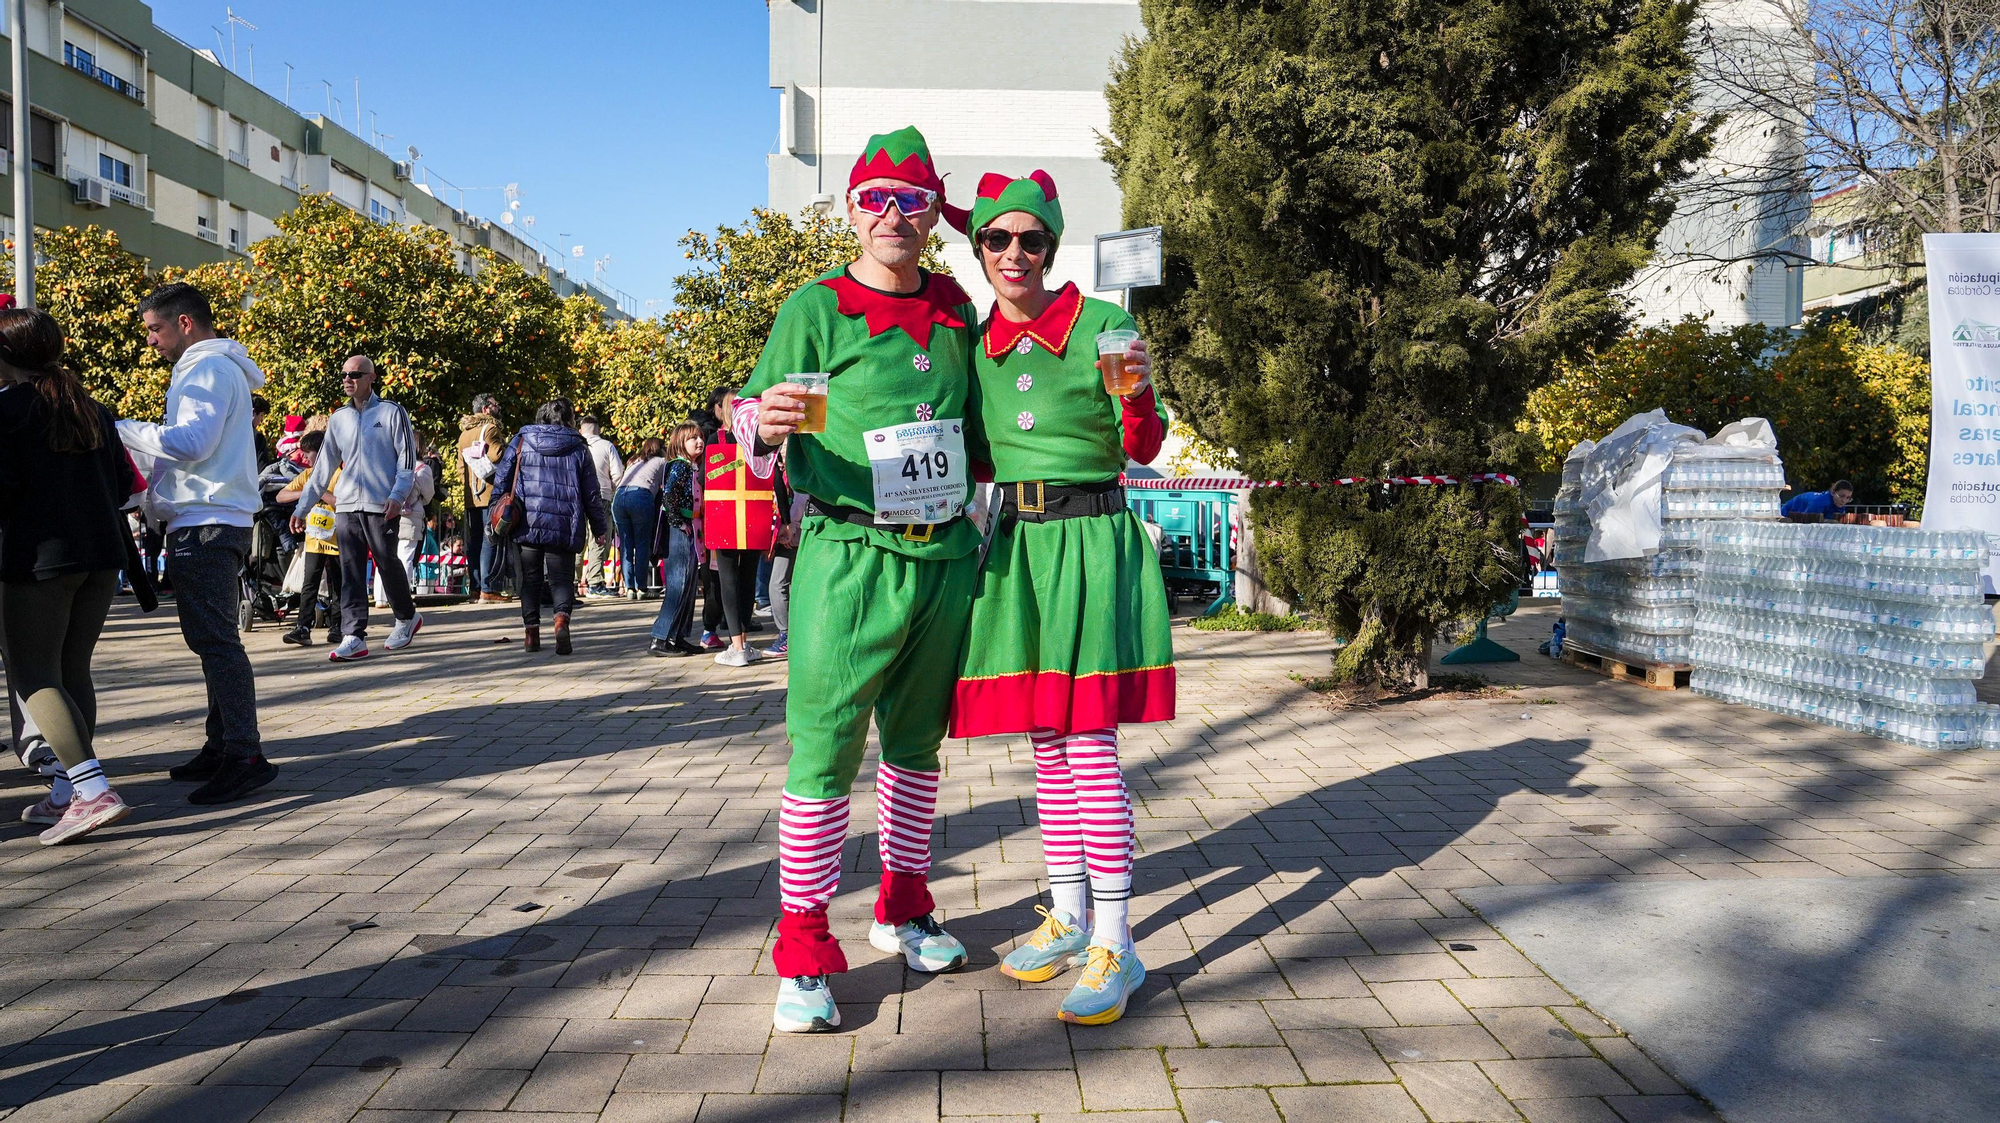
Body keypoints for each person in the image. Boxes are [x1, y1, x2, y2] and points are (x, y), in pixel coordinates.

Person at [740, 126, 988, 1032]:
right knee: (825, 751)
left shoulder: (958, 307)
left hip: (944, 557)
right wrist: (760, 428)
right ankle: (803, 947)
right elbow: (754, 422)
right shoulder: (815, 306)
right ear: (850, 207)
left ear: (931, 211)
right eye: (876, 196)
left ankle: (902, 904)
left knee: (918, 747)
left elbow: (985, 426)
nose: (893, 213)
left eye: (912, 197)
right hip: (848, 554)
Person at [948, 171, 1171, 1025]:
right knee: (1046, 738)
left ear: (1050, 245)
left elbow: (1142, 441)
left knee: (1088, 741)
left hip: (1088, 541)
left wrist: (1141, 392)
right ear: (980, 251)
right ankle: (1072, 916)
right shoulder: (975, 343)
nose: (1014, 254)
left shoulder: (1104, 325)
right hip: (1017, 546)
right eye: (997, 240)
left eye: (1030, 239)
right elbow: (969, 453)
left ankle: (1119, 941)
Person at [118, 282, 277, 804]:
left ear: (184, 322)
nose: (150, 342)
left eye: (154, 329)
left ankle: (244, 754)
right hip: (210, 516)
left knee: (215, 641)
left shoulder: (207, 369)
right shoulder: (214, 367)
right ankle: (222, 744)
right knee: (211, 639)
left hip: (207, 520)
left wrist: (123, 428)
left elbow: (193, 441)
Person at [0, 308, 143, 842]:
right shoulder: (92, 409)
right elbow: (123, 486)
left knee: (34, 673)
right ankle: (66, 790)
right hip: (101, 557)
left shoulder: (9, 410)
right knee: (71, 669)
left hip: (39, 561)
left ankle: (90, 790)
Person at [287, 355, 423, 663]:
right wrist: (302, 507)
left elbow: (406, 460)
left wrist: (398, 495)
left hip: (381, 504)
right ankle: (354, 634)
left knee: (387, 562)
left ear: (372, 377)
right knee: (350, 570)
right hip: (346, 504)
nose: (348, 379)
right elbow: (322, 468)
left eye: (356, 374)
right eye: (345, 374)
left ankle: (406, 617)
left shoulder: (392, 412)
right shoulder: (339, 418)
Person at [490, 398, 608, 656]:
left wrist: (493, 515)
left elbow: (502, 481)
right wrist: (600, 527)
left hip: (527, 522)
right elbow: (591, 493)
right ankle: (560, 623)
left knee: (529, 579)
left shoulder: (521, 440)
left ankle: (531, 634)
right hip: (564, 521)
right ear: (569, 420)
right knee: (562, 578)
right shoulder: (579, 447)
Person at [704, 389, 774, 667]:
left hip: (724, 516)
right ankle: (743, 642)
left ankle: (737, 647)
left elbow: (704, 478)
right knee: (747, 580)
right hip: (754, 514)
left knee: (728, 581)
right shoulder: (761, 443)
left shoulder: (715, 439)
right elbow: (772, 478)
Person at [276, 432, 341, 647]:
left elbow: (340, 503)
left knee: (339, 584)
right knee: (309, 583)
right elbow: (281, 496)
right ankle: (303, 627)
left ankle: (338, 627)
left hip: (337, 540)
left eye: (308, 454)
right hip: (314, 539)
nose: (305, 459)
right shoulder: (308, 475)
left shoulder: (340, 473)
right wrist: (306, 492)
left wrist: (320, 492)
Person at [647, 423, 706, 656]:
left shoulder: (690, 467)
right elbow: (669, 497)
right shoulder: (679, 467)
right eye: (693, 439)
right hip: (680, 530)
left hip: (690, 528)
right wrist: (679, 522)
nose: (699, 442)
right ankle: (660, 637)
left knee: (689, 584)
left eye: (700, 437)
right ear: (680, 443)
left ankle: (678, 636)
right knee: (679, 584)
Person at [458, 394, 509, 603]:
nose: (499, 408)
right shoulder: (491, 429)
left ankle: (476, 588)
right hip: (490, 493)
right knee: (491, 539)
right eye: (496, 405)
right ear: (487, 409)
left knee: (476, 541)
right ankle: (488, 589)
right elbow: (498, 455)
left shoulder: (464, 435)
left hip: (472, 496)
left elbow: (461, 469)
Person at [613, 437, 669, 600]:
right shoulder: (661, 461)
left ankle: (629, 588)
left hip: (619, 497)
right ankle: (642, 588)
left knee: (626, 545)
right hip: (640, 496)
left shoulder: (635, 461)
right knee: (642, 543)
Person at [578, 414, 625, 598]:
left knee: (578, 540)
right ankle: (596, 583)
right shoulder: (607, 446)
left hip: (577, 497)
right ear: (598, 429)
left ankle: (573, 583)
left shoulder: (576, 446)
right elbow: (618, 475)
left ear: (581, 429)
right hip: (601, 496)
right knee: (599, 539)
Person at [1782, 479, 1854, 521]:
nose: (1844, 501)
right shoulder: (1819, 503)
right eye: (1841, 496)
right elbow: (1807, 522)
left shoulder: (1840, 505)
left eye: (1848, 498)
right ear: (1833, 493)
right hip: (1786, 512)